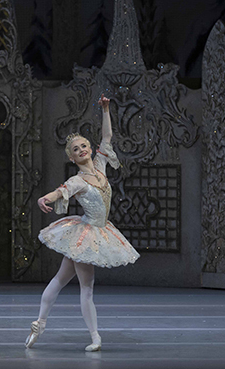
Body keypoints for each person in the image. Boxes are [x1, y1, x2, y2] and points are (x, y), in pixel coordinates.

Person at [26, 94, 139, 352]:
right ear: (72, 158)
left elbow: (107, 137)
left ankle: (40, 323)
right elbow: (60, 191)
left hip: (100, 230)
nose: (81, 150)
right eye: (75, 149)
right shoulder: (78, 180)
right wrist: (46, 197)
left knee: (59, 280)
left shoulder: (100, 166)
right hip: (86, 233)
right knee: (86, 288)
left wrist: (106, 109)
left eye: (83, 145)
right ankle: (95, 337)